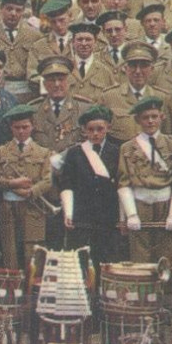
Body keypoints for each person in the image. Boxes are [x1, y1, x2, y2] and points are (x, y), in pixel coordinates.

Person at [117, 96, 172, 286]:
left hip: (165, 205)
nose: (150, 121)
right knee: (140, 257)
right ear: (138, 120)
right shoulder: (127, 148)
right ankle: (142, 302)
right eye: (145, 117)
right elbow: (124, 183)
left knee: (166, 257)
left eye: (154, 116)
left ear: (162, 117)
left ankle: (167, 303)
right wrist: (130, 215)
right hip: (140, 205)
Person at [0, 105, 55, 269]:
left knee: (33, 250)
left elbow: (47, 180)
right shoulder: (1, 151)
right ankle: (12, 286)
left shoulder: (43, 152)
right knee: (9, 248)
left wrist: (31, 192)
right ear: (11, 128)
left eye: (25, 127)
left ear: (32, 126)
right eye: (17, 127)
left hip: (33, 206)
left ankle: (32, 287)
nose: (21, 131)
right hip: (8, 206)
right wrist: (13, 184)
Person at [57, 105, 121, 263]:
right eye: (91, 129)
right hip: (82, 216)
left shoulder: (117, 152)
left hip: (107, 216)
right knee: (79, 259)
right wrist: (69, 213)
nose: (95, 134)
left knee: (105, 258)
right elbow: (67, 185)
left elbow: (122, 185)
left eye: (100, 129)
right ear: (84, 130)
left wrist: (123, 217)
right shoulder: (74, 153)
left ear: (108, 127)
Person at [0, 0, 41, 89]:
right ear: (1, 9)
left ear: (23, 12)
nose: (13, 13)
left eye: (18, 10)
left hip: (27, 87)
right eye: (9, 9)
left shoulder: (34, 35)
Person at [67, 20, 118, 101]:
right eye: (80, 39)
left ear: (95, 42)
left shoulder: (105, 72)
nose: (84, 44)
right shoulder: (65, 69)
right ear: (73, 42)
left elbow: (112, 101)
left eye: (88, 39)